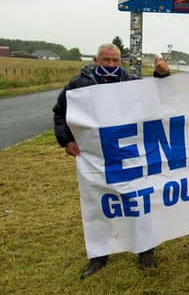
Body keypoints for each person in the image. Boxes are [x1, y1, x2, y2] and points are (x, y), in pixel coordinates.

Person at [53, 43, 170, 279]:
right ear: (96, 59)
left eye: (115, 61)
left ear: (121, 61)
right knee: (99, 203)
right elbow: (60, 112)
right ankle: (99, 256)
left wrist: (162, 74)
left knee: (139, 201)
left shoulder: (128, 81)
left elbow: (156, 91)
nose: (111, 65)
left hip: (129, 155)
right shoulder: (79, 84)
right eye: (106, 61)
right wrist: (66, 140)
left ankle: (146, 251)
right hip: (96, 156)